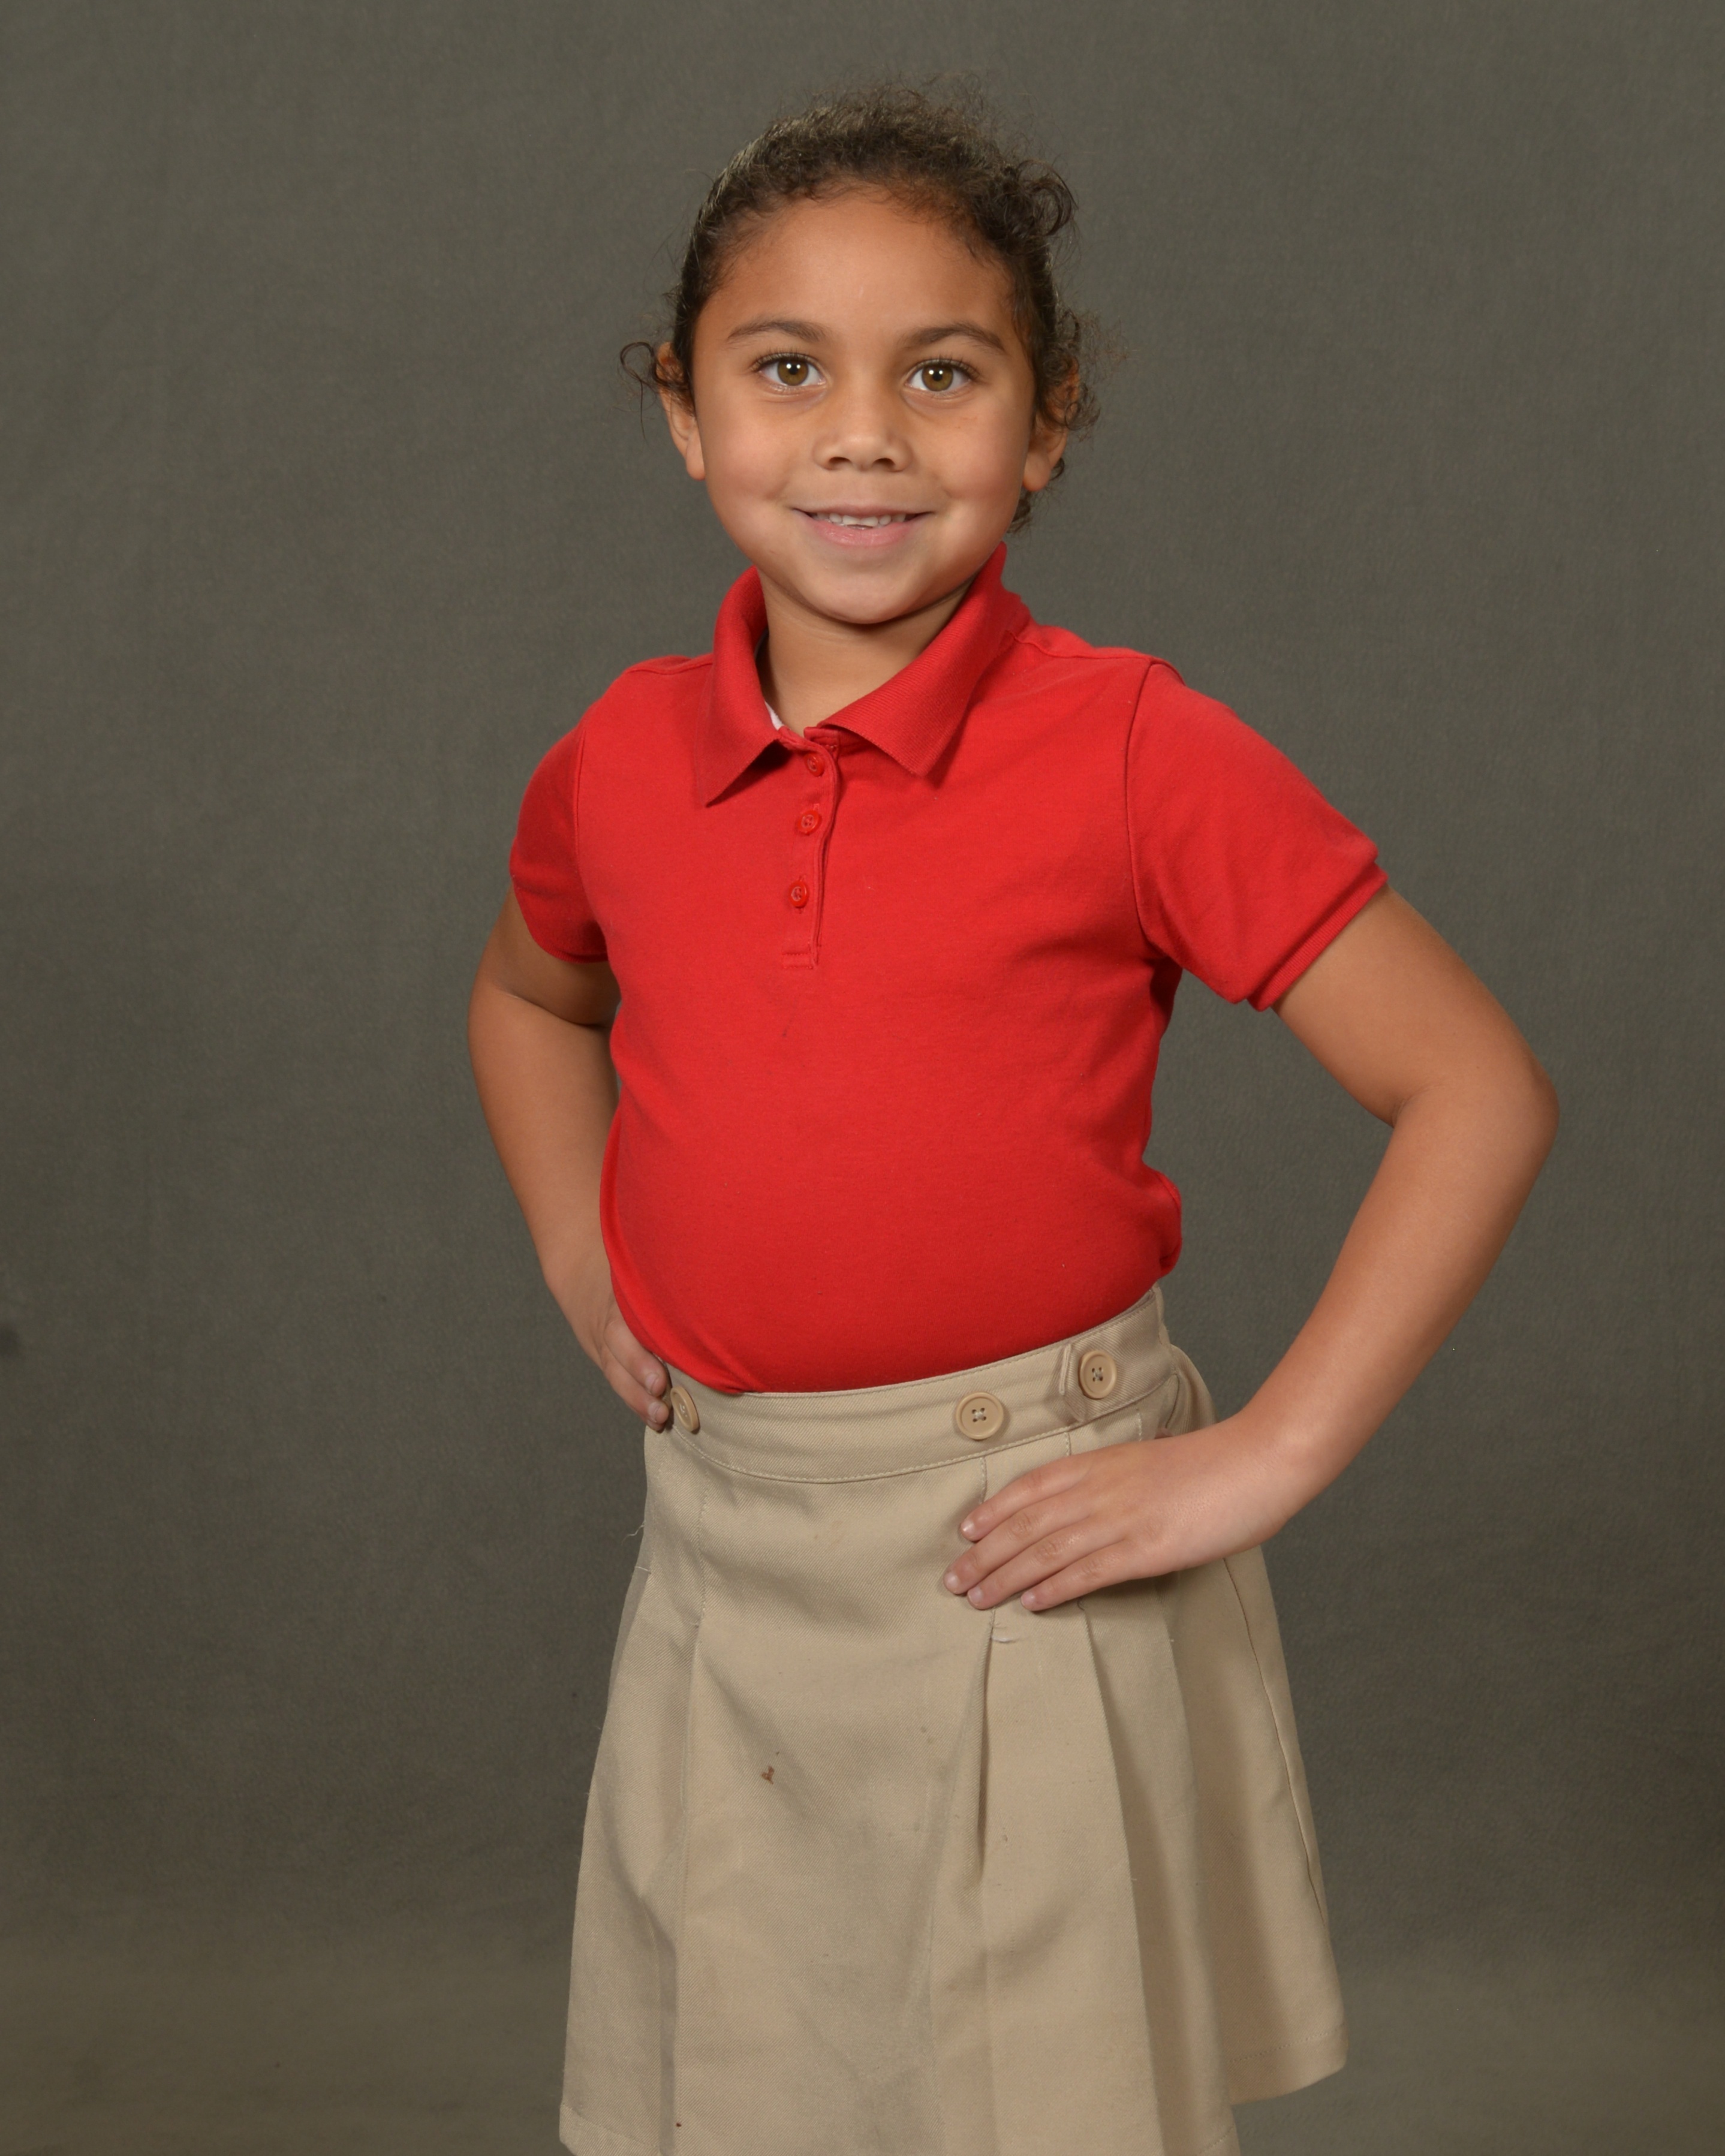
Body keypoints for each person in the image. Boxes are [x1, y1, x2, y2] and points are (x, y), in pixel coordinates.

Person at [466, 82, 1557, 2156]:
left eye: (942, 374)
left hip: (1023, 1556)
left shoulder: (1138, 749)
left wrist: (1267, 1455)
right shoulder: (615, 758)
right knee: (754, 2099)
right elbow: (531, 998)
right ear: (684, 413)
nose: (863, 434)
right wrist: (580, 1246)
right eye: (788, 369)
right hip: (729, 1561)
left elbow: (1475, 1086)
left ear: (1045, 427)